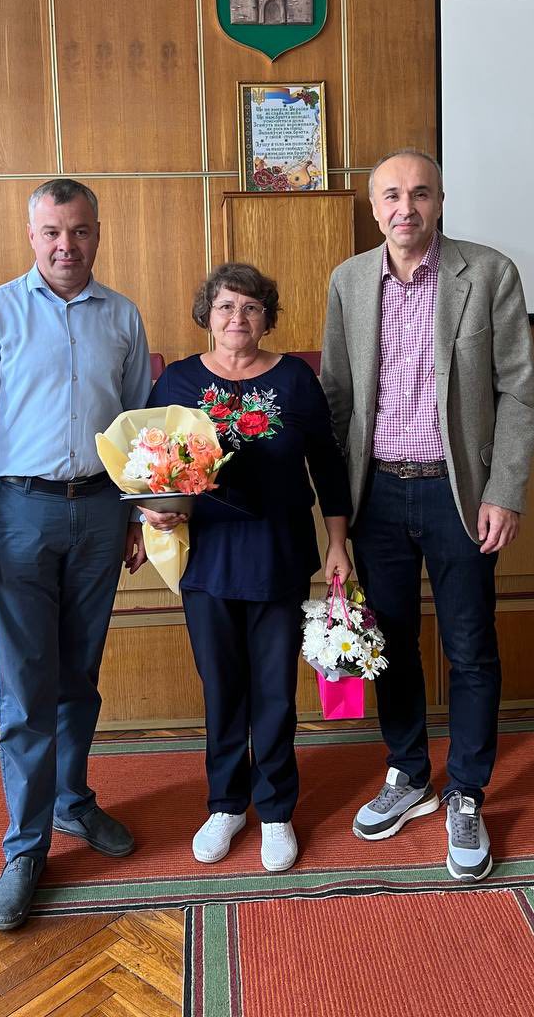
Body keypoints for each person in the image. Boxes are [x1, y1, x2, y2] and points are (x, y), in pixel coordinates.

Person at [320, 149, 534, 882]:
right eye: (391, 195)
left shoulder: (489, 273)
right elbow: (336, 399)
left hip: (461, 495)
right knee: (389, 644)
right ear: (374, 206)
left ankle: (467, 791)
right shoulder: (350, 281)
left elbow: (520, 393)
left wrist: (504, 490)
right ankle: (409, 772)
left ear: (440, 200)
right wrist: (336, 516)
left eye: (419, 193)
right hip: (377, 495)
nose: (405, 207)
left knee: (470, 646)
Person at [0, 178, 150, 930]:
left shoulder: (123, 316)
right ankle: (25, 849)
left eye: (80, 231)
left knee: (79, 674)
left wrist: (138, 517)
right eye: (53, 232)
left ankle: (72, 800)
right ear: (32, 236)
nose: (67, 245)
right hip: (19, 514)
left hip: (99, 512)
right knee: (28, 686)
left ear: (97, 233)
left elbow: (137, 427)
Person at [141, 263, 352, 873]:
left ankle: (277, 810)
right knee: (222, 685)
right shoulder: (178, 380)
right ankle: (227, 804)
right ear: (207, 315)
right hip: (205, 555)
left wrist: (338, 541)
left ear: (267, 318)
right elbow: (148, 466)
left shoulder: (296, 379)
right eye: (227, 307)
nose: (238, 318)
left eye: (252, 308)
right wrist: (153, 511)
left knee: (275, 691)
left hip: (278, 551)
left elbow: (328, 464)